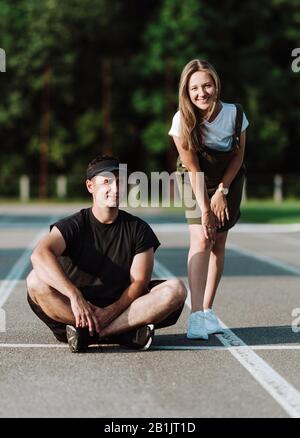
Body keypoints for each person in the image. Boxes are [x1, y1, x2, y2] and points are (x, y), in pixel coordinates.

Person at [27, 155, 187, 352]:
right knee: (35, 280)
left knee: (176, 289)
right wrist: (75, 295)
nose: (115, 188)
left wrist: (110, 313)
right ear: (90, 186)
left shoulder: (139, 229)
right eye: (106, 182)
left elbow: (139, 283)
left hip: (124, 310)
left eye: (120, 182)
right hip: (74, 311)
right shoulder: (74, 225)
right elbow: (39, 254)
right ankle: (120, 333)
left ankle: (95, 334)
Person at [168, 59, 249, 339]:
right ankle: (195, 317)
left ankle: (207, 312)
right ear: (186, 92)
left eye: (207, 85)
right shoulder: (181, 120)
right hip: (194, 177)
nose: (201, 93)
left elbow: (238, 155)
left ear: (216, 85)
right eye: (194, 88)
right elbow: (193, 168)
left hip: (228, 176)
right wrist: (206, 208)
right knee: (202, 237)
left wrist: (222, 192)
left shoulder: (235, 114)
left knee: (219, 243)